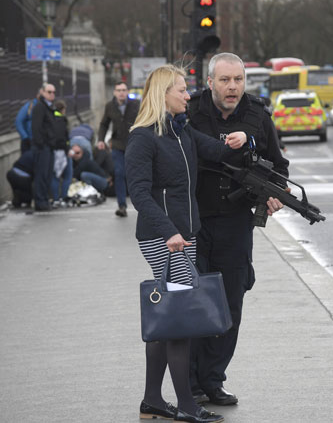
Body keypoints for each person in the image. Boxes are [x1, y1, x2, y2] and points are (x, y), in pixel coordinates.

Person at [125, 64, 254, 423]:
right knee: (180, 320)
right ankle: (185, 405)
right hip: (162, 238)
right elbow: (138, 193)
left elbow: (220, 152)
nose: (188, 95)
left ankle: (152, 399)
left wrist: (246, 139)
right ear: (163, 94)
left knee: (169, 317)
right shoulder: (143, 137)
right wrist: (168, 231)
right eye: (181, 90)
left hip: (185, 235)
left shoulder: (182, 133)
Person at [187, 52, 289, 406]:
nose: (232, 87)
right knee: (195, 301)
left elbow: (279, 165)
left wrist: (274, 194)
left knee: (230, 302)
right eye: (225, 80)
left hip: (235, 221)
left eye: (238, 80)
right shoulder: (190, 111)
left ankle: (213, 380)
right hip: (193, 221)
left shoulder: (258, 115)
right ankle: (191, 383)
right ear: (210, 81)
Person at [97, 81, 140, 217]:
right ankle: (122, 205)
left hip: (134, 144)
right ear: (114, 92)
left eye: (124, 90)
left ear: (127, 92)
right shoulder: (110, 106)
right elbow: (104, 124)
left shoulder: (135, 104)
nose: (121, 92)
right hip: (117, 145)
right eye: (118, 90)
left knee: (136, 174)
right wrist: (100, 140)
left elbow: (144, 120)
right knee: (119, 173)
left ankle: (142, 205)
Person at [31, 83, 57, 211]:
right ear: (42, 92)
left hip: (49, 146)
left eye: (53, 92)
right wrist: (41, 143)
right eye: (49, 92)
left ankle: (45, 200)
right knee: (41, 175)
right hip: (42, 147)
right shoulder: (40, 107)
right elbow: (36, 128)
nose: (52, 94)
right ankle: (40, 201)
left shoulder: (50, 107)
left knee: (47, 175)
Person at [50, 100, 72, 207]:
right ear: (63, 109)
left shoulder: (51, 118)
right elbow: (63, 138)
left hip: (53, 150)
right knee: (68, 175)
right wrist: (68, 149)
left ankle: (55, 199)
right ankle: (62, 198)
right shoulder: (61, 120)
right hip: (62, 151)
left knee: (55, 176)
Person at [15, 89, 42, 154]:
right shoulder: (30, 106)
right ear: (38, 95)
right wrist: (25, 137)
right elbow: (18, 121)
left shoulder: (48, 107)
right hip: (30, 142)